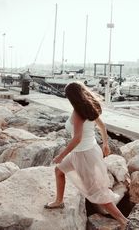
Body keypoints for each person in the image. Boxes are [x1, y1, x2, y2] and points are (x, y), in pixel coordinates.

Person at [45, 81, 129, 230]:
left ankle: (124, 221)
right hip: (88, 150)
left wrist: (61, 155)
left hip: (83, 155)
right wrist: (105, 144)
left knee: (97, 194)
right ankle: (59, 201)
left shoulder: (79, 112)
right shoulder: (88, 107)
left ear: (72, 97)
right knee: (59, 171)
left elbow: (77, 139)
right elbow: (102, 126)